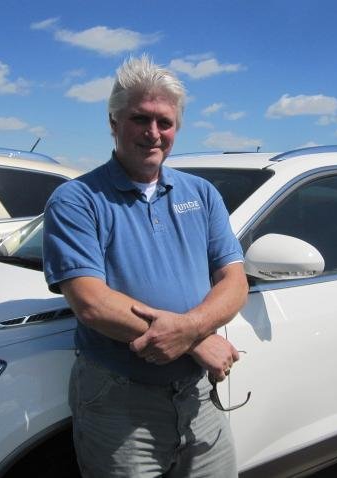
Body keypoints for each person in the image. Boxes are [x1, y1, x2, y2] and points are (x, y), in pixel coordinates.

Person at [43, 55, 249, 477]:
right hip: (119, 402)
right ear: (114, 122)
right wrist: (198, 341)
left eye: (165, 122)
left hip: (198, 396)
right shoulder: (76, 200)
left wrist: (189, 334)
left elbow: (234, 279)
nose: (153, 133)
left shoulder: (202, 193)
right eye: (140, 119)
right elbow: (92, 303)